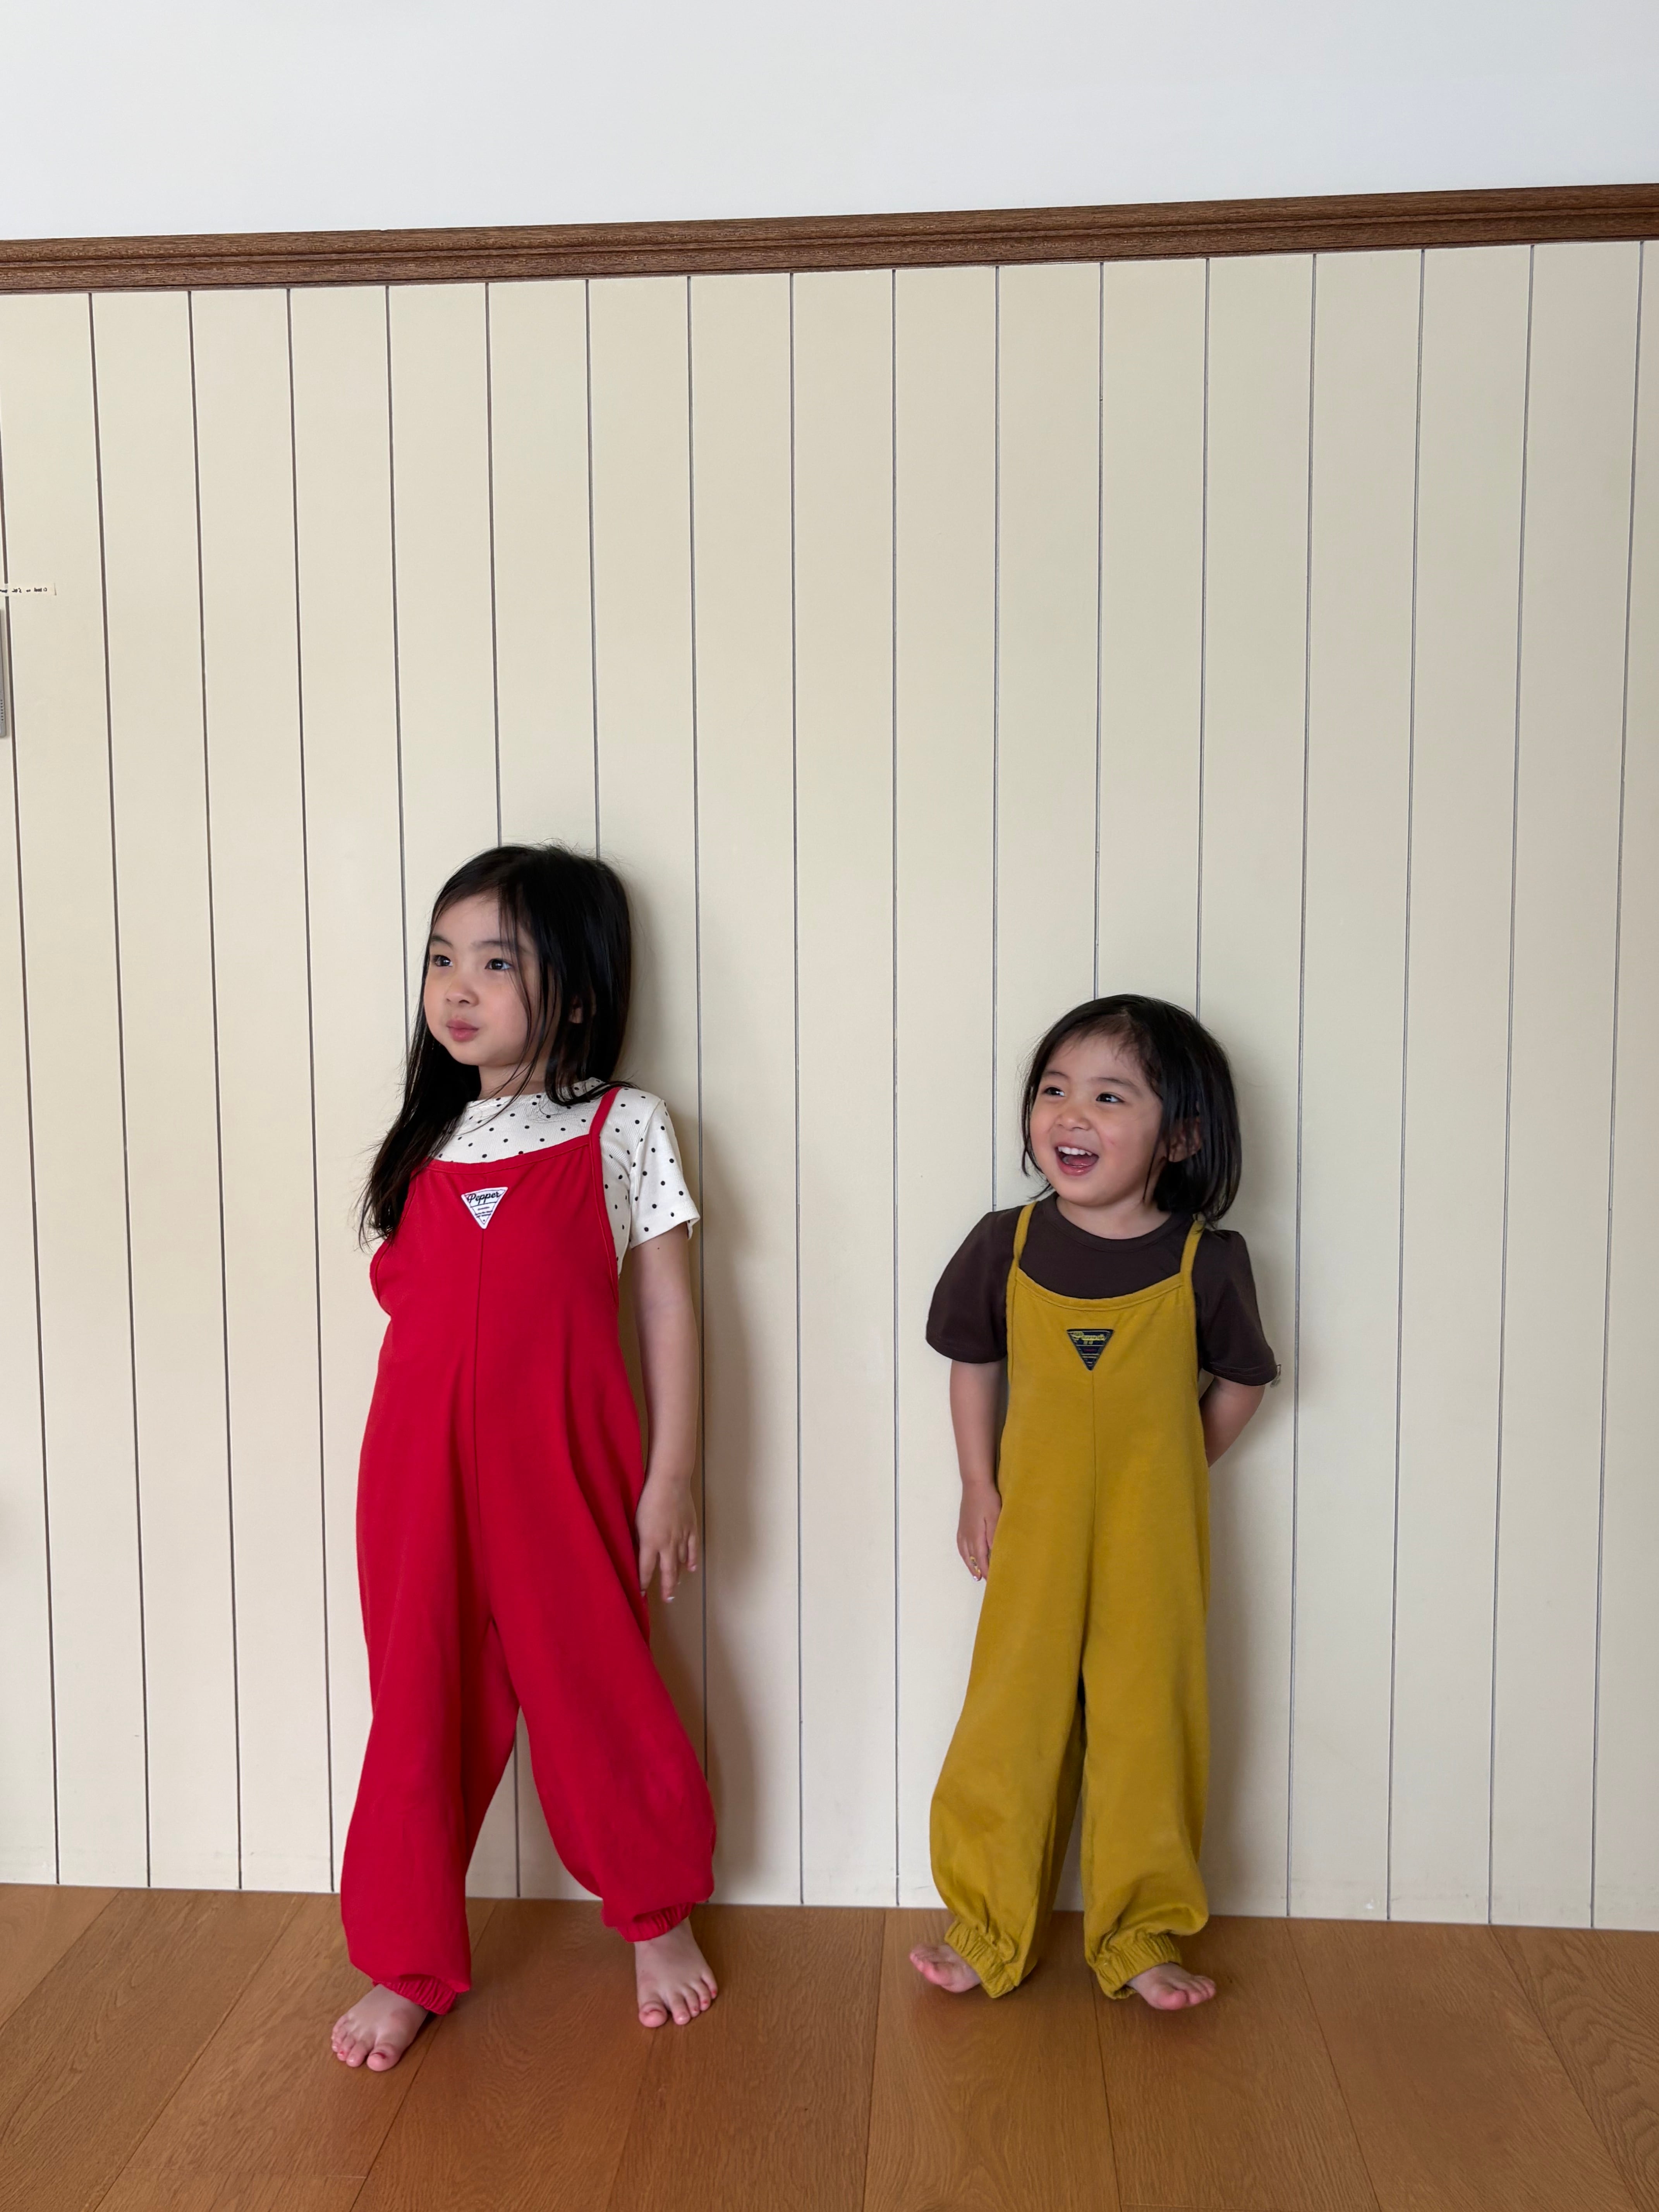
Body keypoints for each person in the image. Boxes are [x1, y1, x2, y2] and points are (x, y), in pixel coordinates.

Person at [331, 843, 717, 2071]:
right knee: (420, 1705)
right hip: (415, 1477)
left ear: (581, 992)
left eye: (497, 964)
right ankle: (406, 1959)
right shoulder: (425, 1141)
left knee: (596, 1683)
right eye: (442, 959)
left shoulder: (622, 1126)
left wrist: (671, 1474)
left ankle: (654, 1913)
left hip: (565, 1470)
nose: (458, 987)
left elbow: (669, 1306)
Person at [911, 995, 1276, 2011]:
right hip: (1032, 1532)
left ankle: (1140, 1933)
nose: (1070, 1114)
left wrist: (1179, 1467)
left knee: (1146, 1720)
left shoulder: (1207, 1261)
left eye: (1110, 1097)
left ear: (1181, 1137)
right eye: (1053, 1089)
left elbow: (1242, 1382)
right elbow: (973, 1364)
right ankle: (988, 1927)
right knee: (1012, 1715)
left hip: (1153, 1545)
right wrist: (977, 1486)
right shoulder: (1008, 1244)